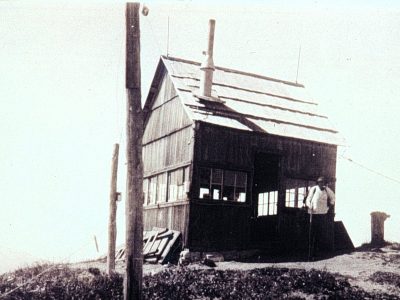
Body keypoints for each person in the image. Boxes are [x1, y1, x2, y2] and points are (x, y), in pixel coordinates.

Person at [305, 176, 335, 259]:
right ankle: (311, 254)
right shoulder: (314, 189)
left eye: (323, 182)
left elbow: (333, 197)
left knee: (320, 234)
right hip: (313, 214)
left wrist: (329, 206)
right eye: (319, 182)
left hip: (322, 215)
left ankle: (317, 253)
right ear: (317, 183)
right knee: (312, 234)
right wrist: (309, 205)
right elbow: (308, 199)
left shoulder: (326, 190)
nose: (321, 184)